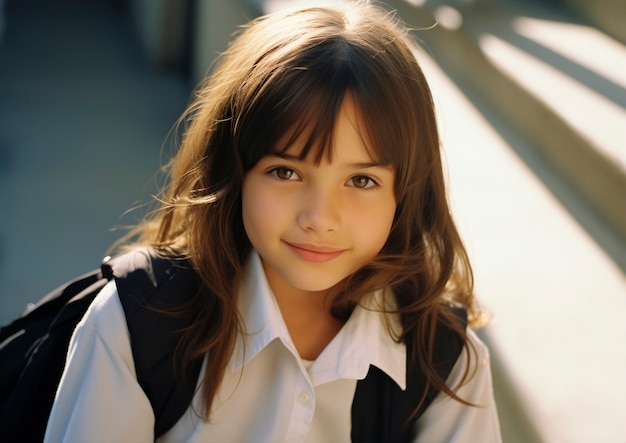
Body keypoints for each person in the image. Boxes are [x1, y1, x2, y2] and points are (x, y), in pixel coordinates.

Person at [44, 1, 502, 442]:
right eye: (285, 172)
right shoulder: (138, 325)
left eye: (361, 180)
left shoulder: (446, 365)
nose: (320, 218)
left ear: (406, 193)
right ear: (234, 170)